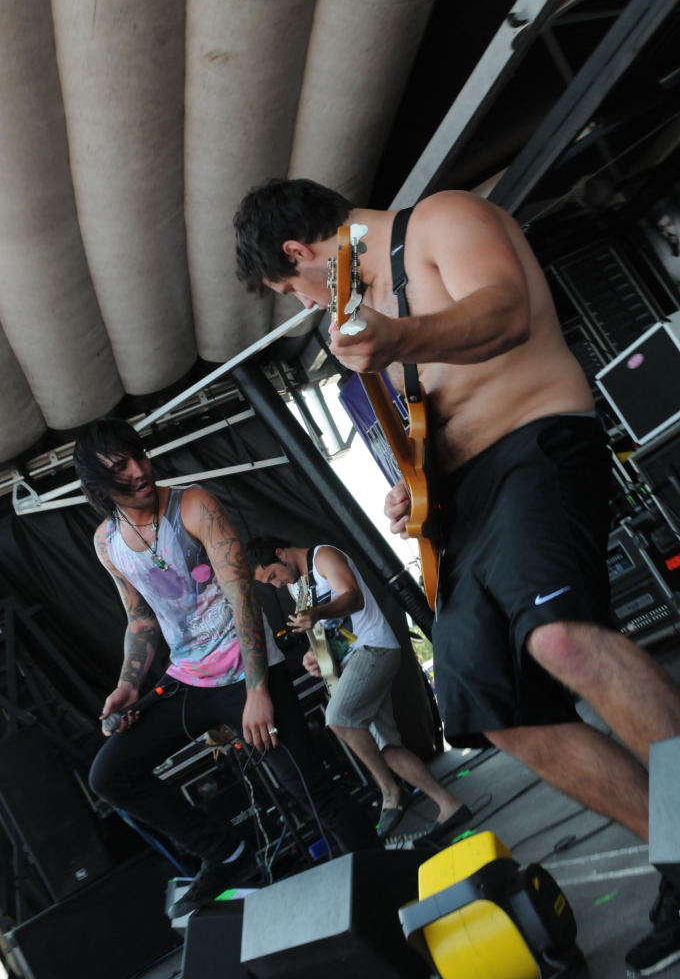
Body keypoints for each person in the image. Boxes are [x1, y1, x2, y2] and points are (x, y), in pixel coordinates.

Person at [234, 178, 680, 975]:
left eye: (291, 290)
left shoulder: (442, 219)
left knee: (561, 641)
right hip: (462, 510)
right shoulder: (369, 307)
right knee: (491, 707)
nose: (305, 305)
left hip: (536, 444)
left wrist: (399, 337)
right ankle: (676, 858)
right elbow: (435, 416)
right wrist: (416, 483)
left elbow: (505, 313)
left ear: (299, 253)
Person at [72, 417, 379, 918]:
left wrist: (258, 691)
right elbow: (140, 618)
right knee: (110, 775)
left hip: (246, 673)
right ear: (99, 485)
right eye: (120, 467)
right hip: (188, 678)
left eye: (139, 456)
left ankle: (385, 888)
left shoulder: (194, 506)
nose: (139, 470)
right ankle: (225, 853)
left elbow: (243, 598)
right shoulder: (107, 542)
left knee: (311, 791)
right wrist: (127, 685)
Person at [246, 536, 471, 839]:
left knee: (338, 718)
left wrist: (316, 614)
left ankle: (390, 791)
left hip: (373, 648)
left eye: (273, 575)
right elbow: (324, 633)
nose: (276, 584)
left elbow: (353, 598)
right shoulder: (295, 587)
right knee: (387, 748)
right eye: (269, 583)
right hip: (351, 661)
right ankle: (449, 805)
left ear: (280, 553)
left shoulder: (323, 556)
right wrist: (314, 655)